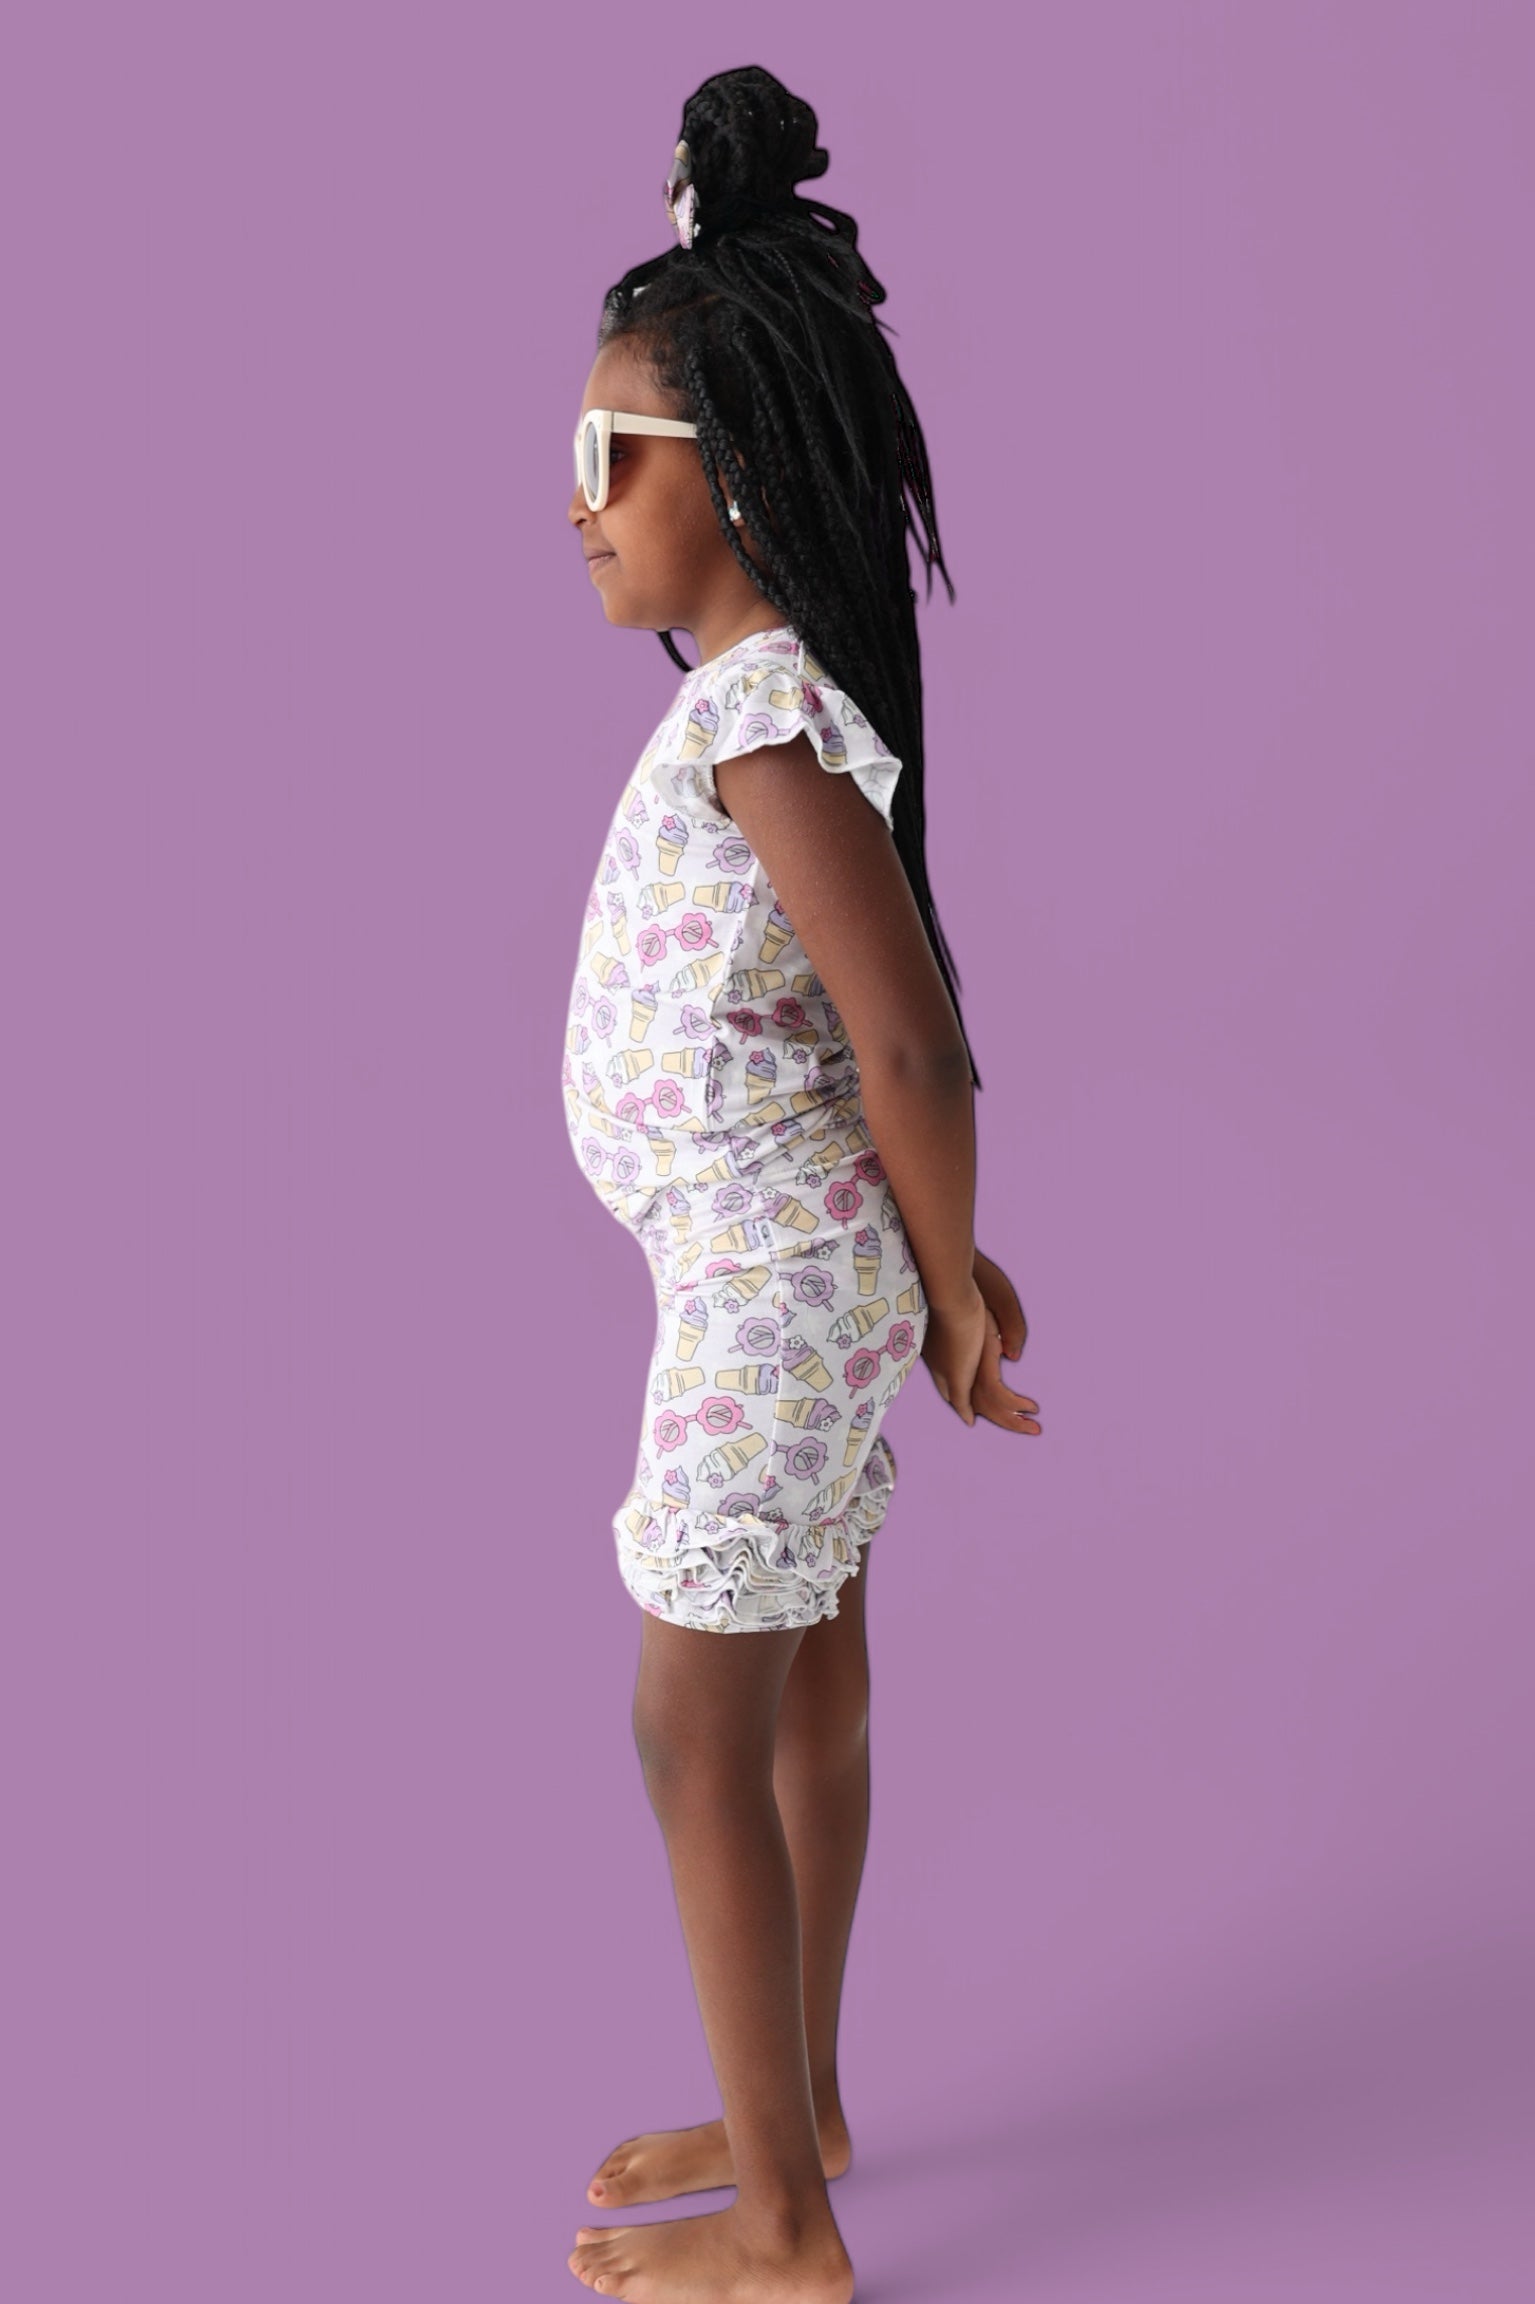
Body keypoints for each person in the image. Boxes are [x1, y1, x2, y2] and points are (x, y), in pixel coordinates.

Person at [559, 64, 1042, 2303]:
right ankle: (808, 2110)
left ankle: (782, 2228)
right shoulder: (750, 710)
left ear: (733, 463)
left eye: (611, 455)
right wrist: (932, 1267)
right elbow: (874, 1047)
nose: (574, 504)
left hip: (776, 1287)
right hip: (771, 1270)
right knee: (811, 1689)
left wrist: (952, 1284)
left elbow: (912, 1037)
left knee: (693, 1727)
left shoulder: (766, 723)